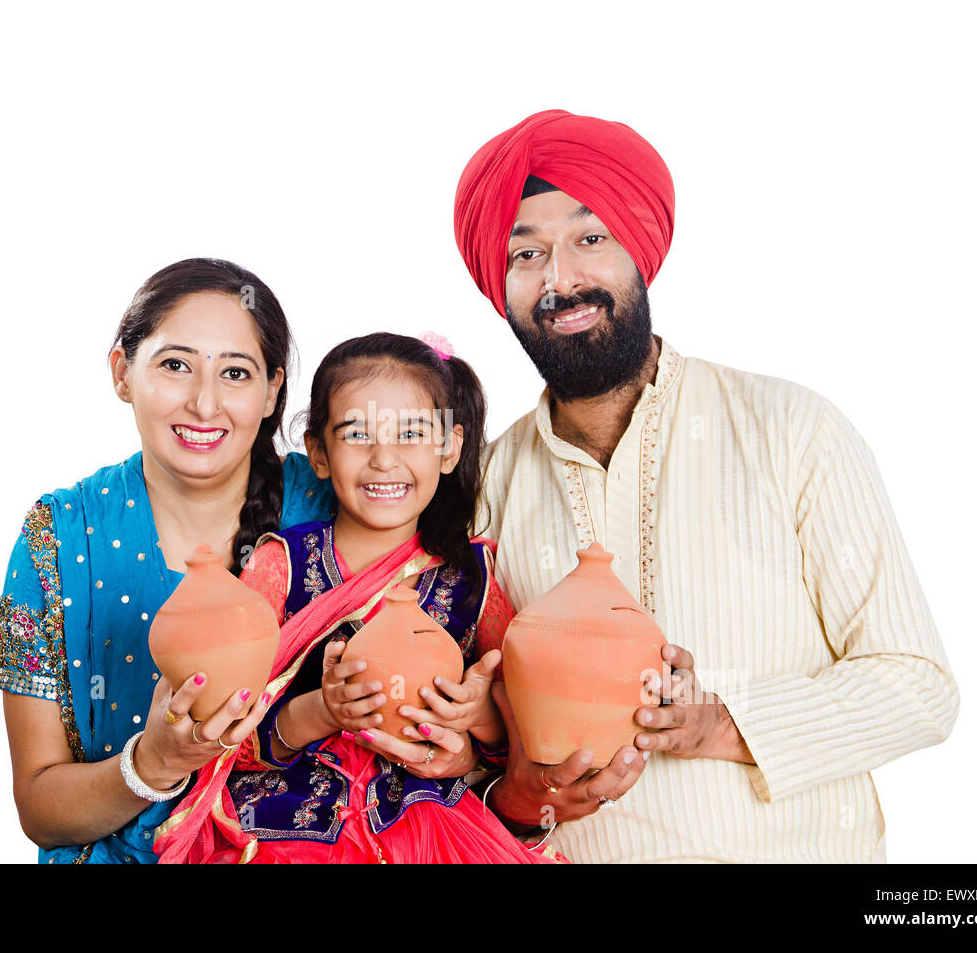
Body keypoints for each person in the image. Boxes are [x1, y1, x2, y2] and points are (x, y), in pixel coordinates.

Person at [453, 110, 960, 862]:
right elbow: (477, 736)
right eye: (527, 254)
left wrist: (719, 723)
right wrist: (519, 800)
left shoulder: (791, 430)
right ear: (501, 286)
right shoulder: (489, 480)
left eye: (591, 239)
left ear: (640, 250)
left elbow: (920, 688)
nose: (562, 279)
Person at [152, 332, 647, 863]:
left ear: (450, 448)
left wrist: (479, 716)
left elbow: (524, 737)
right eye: (356, 434)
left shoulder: (477, 575)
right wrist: (321, 711)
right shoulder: (282, 565)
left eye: (412, 434)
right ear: (318, 452)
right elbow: (224, 737)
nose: (384, 460)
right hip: (288, 828)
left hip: (432, 826)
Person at [0, 258, 335, 863]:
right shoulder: (61, 539)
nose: (205, 404)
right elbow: (40, 809)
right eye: (175, 365)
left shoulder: (333, 506)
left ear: (272, 392)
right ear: (122, 372)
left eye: (235, 373)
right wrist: (153, 763)